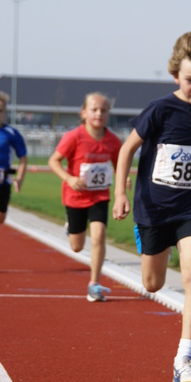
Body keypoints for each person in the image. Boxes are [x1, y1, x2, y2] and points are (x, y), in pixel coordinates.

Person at [113, 30, 191, 382]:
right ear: (175, 76)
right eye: (190, 81)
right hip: (154, 208)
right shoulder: (159, 109)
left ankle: (184, 360)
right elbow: (126, 150)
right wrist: (120, 193)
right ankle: (156, 248)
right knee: (153, 283)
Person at [49, 92, 126, 302]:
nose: (99, 113)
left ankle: (94, 283)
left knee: (99, 235)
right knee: (77, 246)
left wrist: (123, 179)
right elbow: (53, 161)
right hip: (75, 196)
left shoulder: (112, 140)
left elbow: (121, 164)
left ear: (108, 113)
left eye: (103, 110)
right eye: (94, 109)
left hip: (100, 195)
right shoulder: (74, 136)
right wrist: (69, 178)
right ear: (84, 113)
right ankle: (70, 228)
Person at [0, 92, 27, 273]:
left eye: (0, 111)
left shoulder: (10, 133)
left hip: (3, 180)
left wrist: (19, 177)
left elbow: (23, 157)